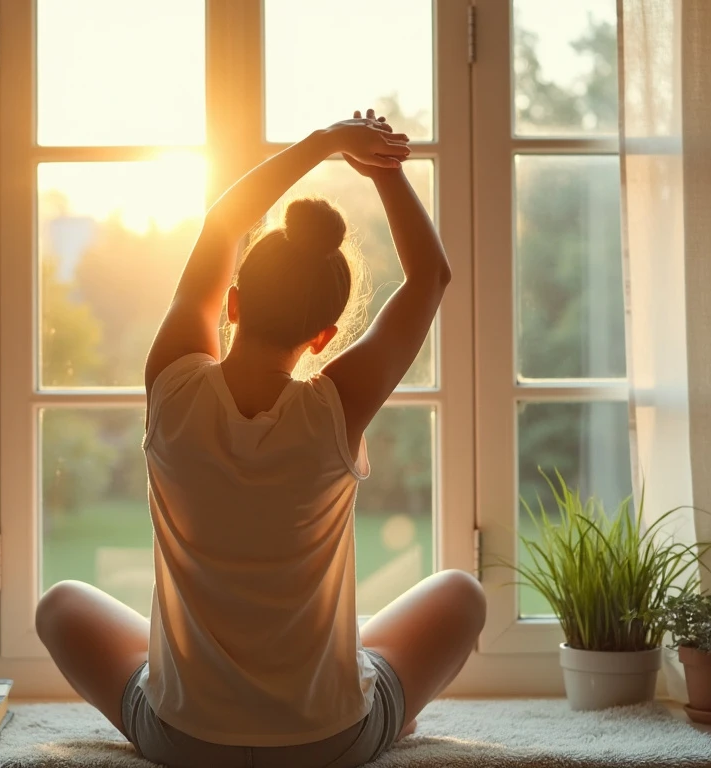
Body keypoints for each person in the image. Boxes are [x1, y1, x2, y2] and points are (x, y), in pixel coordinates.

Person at [36, 110, 486, 768]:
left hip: (182, 740)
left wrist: (325, 143)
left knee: (59, 606)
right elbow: (430, 278)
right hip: (331, 741)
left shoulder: (173, 385)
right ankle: (356, 681)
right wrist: (383, 170)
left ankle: (277, 672)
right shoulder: (336, 407)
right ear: (324, 336)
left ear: (234, 303)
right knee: (462, 595)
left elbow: (223, 220)